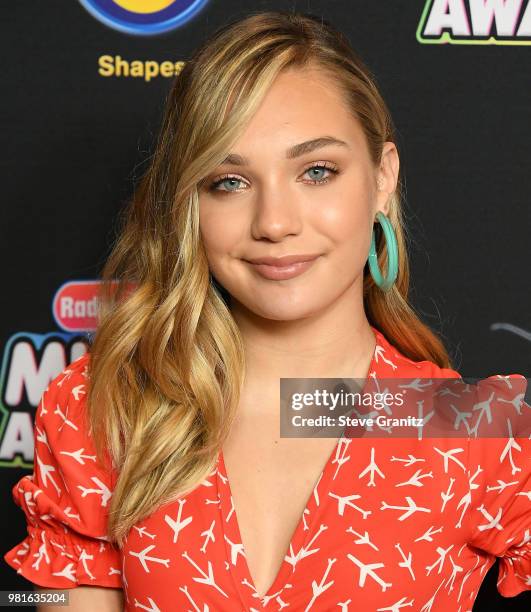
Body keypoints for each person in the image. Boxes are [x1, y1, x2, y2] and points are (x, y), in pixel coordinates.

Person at [4, 10, 530, 612]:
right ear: (188, 203)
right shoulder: (107, 411)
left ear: (383, 177)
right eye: (229, 181)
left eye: (316, 171)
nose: (275, 223)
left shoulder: (467, 431)